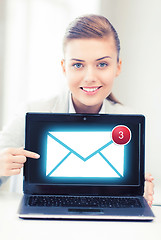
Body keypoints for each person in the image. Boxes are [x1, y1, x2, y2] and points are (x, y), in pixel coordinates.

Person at [0, 14, 154, 206]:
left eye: (102, 64)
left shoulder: (130, 120)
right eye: (78, 65)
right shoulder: (30, 112)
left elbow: (126, 187)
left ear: (117, 67)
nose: (90, 77)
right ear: (64, 68)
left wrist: (140, 192)